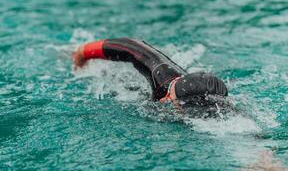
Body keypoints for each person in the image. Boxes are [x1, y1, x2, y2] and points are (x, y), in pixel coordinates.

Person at [72, 38, 229, 117]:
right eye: (168, 95)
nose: (164, 100)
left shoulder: (216, 111)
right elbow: (130, 46)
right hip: (142, 83)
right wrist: (83, 52)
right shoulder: (161, 75)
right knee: (121, 84)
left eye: (171, 100)